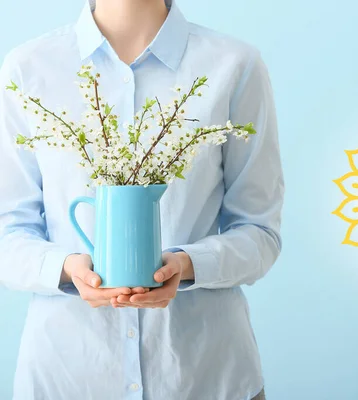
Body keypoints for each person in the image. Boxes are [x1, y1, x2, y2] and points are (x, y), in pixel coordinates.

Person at [0, 0, 283, 398]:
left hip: (207, 378)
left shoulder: (234, 66)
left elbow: (260, 232)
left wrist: (187, 265)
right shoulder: (28, 70)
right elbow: (7, 231)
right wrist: (67, 268)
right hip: (66, 377)